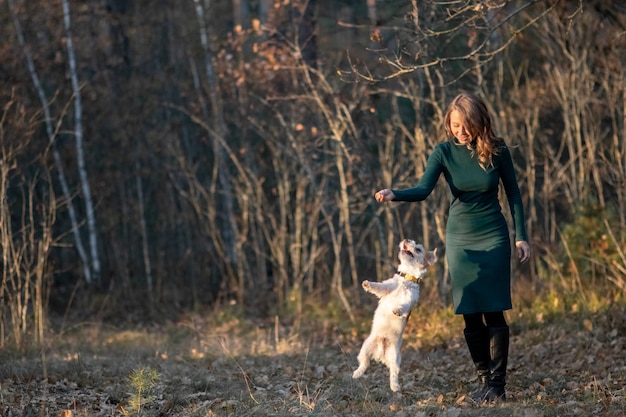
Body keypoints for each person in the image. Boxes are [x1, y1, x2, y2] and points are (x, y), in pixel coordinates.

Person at [375, 92, 531, 404]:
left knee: (494, 310)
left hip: (494, 236)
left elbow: (513, 192)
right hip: (460, 238)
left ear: (478, 122)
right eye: (454, 124)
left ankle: (498, 386)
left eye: (465, 124)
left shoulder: (497, 150)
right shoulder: (444, 152)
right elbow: (423, 189)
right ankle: (483, 380)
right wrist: (396, 193)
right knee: (470, 313)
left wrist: (521, 236)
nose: (460, 130)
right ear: (449, 123)